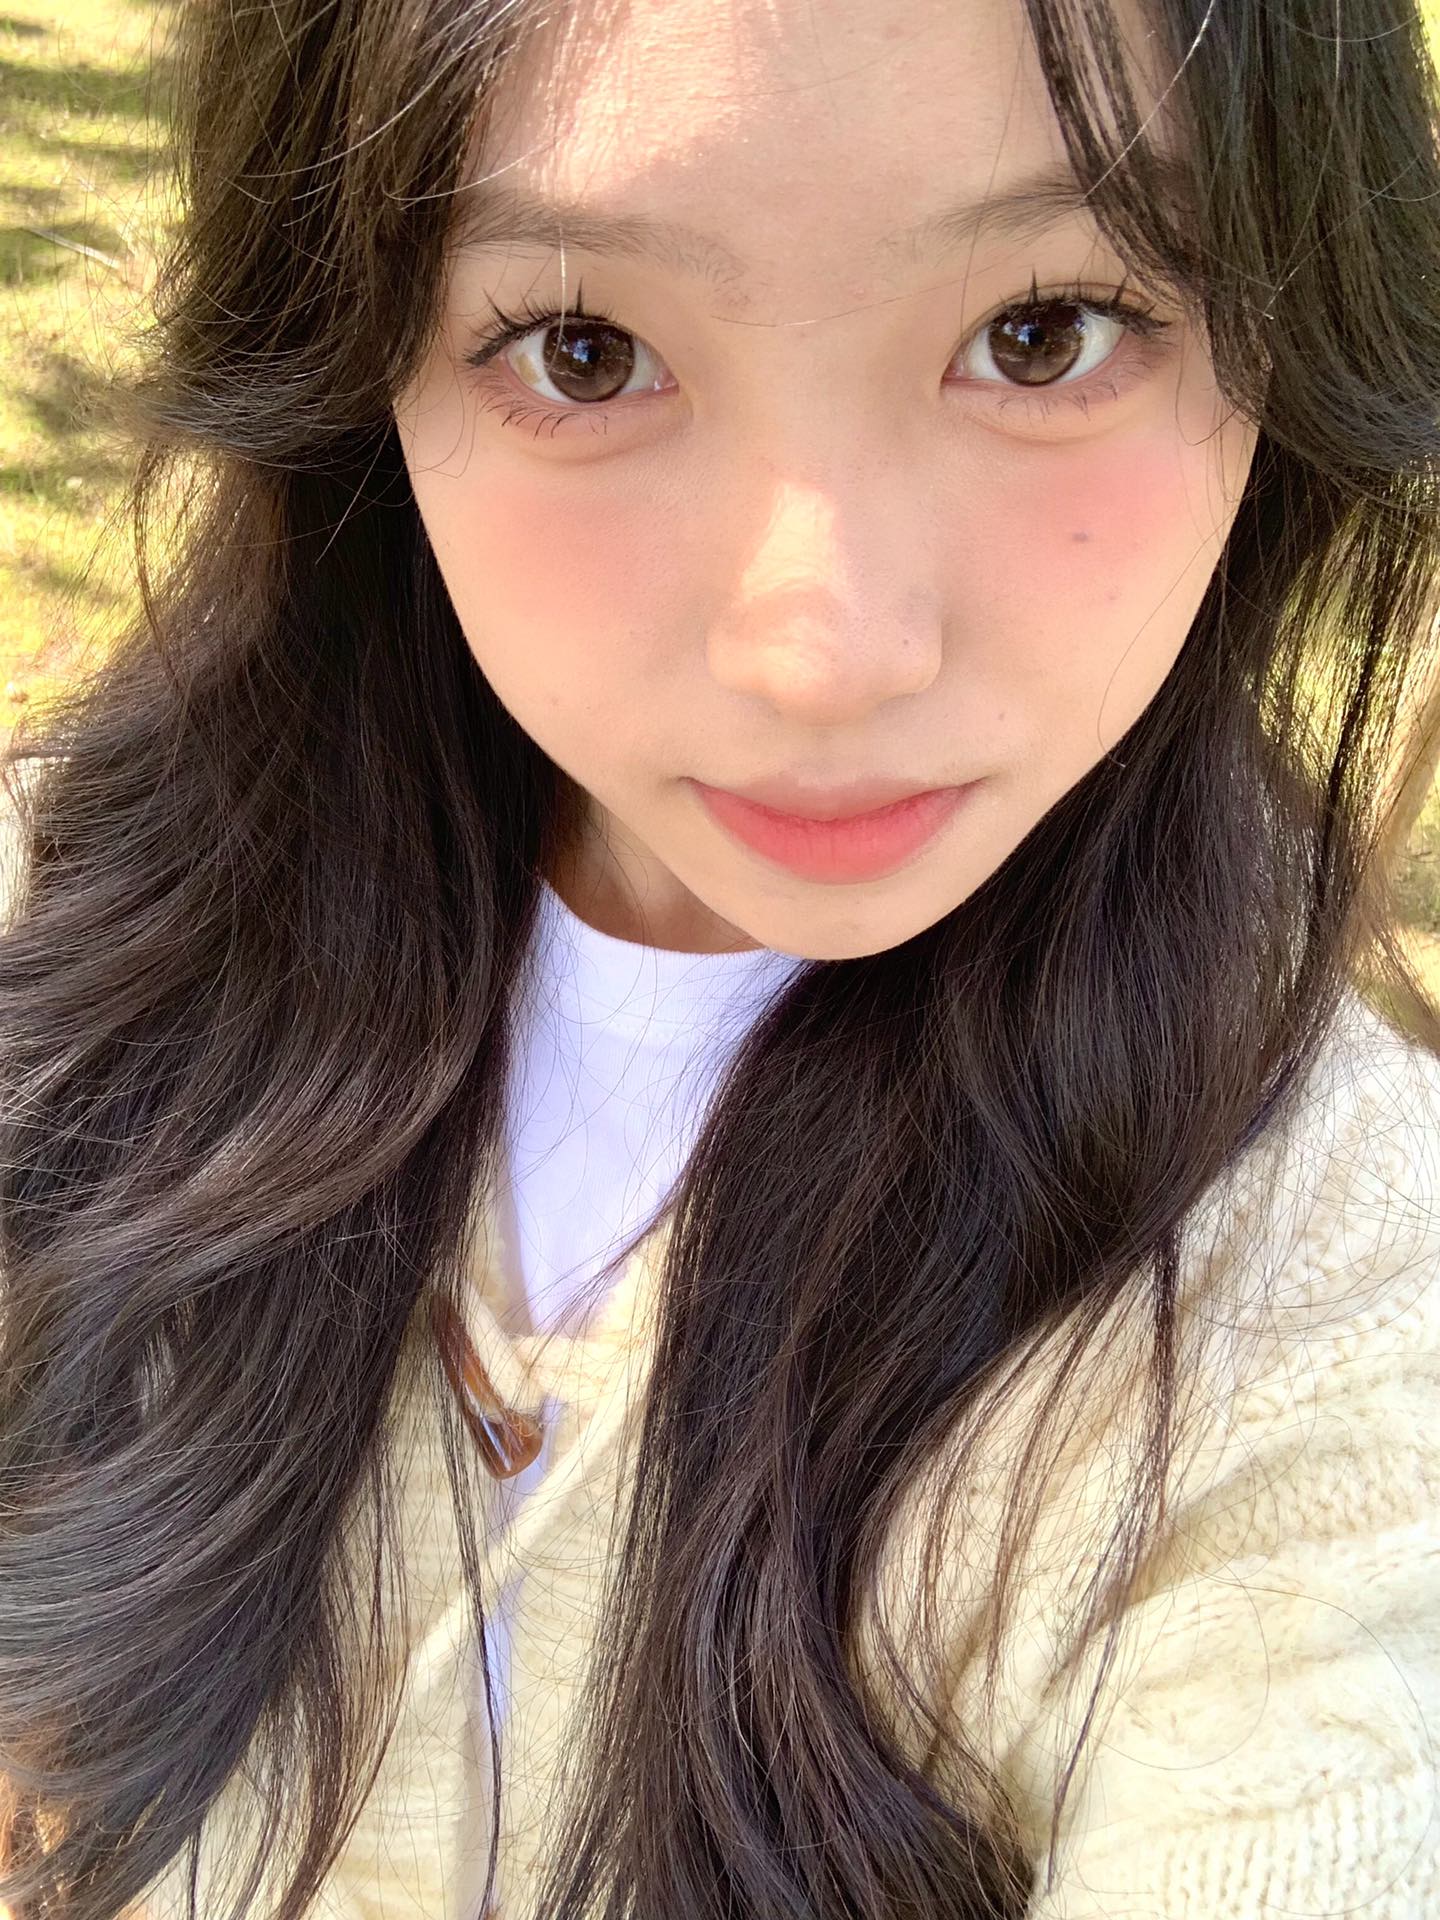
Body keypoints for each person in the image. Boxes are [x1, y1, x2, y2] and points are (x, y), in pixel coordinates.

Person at [2, 0, 1440, 1914]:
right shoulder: (58, 940)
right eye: (585, 350)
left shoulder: (1342, 1311)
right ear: (356, 355)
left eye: (1045, 332)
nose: (824, 652)